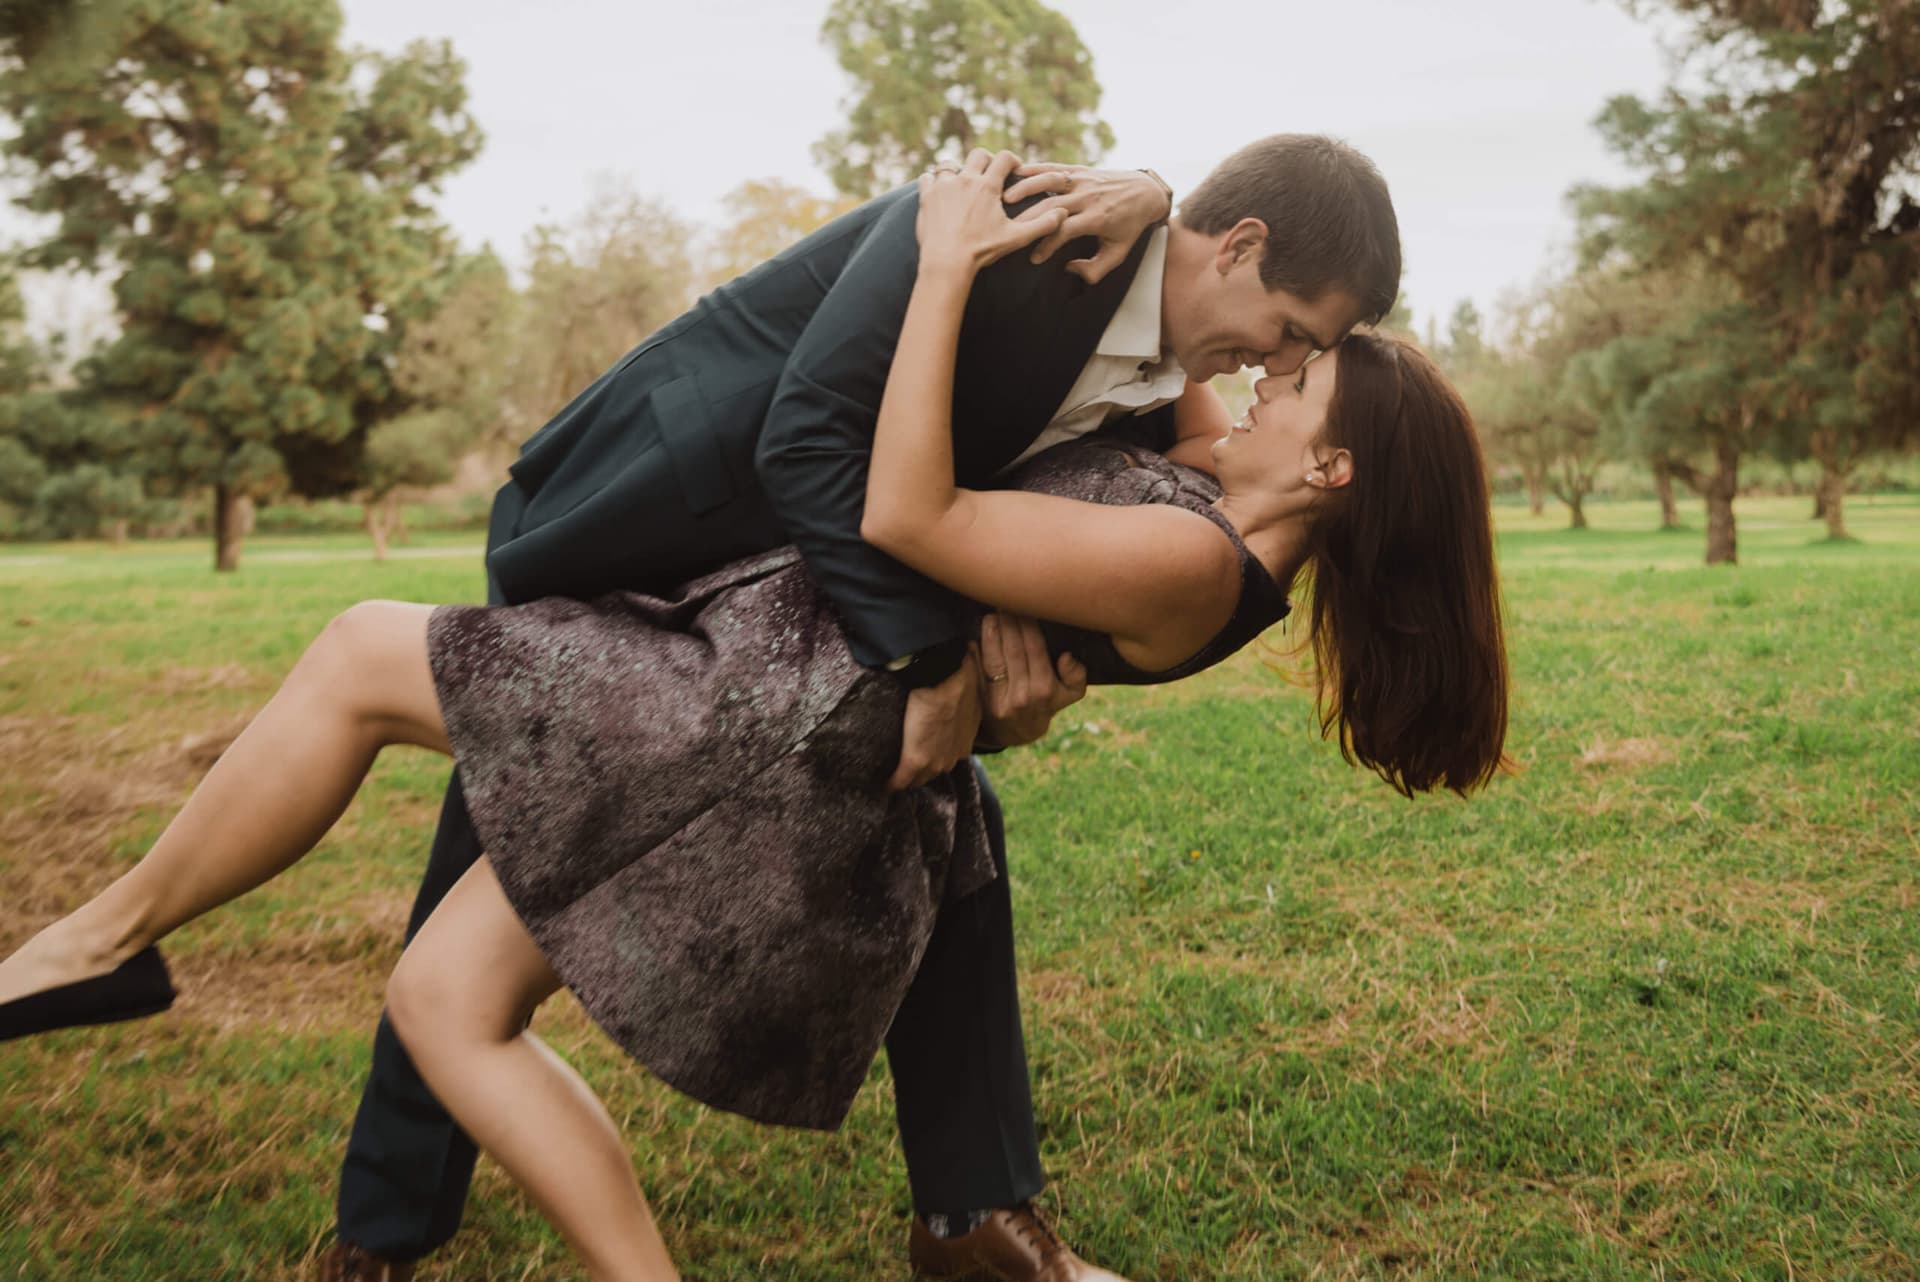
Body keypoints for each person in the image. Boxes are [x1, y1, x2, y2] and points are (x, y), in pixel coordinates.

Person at [0, 136, 1420, 1282]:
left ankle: (968, 1213)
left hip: (791, 621)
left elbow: (1125, 515)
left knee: (923, 822)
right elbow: (811, 436)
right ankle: (386, 1217)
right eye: (1281, 331)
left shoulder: (1175, 386)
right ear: (1233, 254)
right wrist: (938, 669)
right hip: (659, 510)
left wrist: (981, 681)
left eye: (1293, 360)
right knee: (518, 803)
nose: (1261, 368)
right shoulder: (1031, 236)